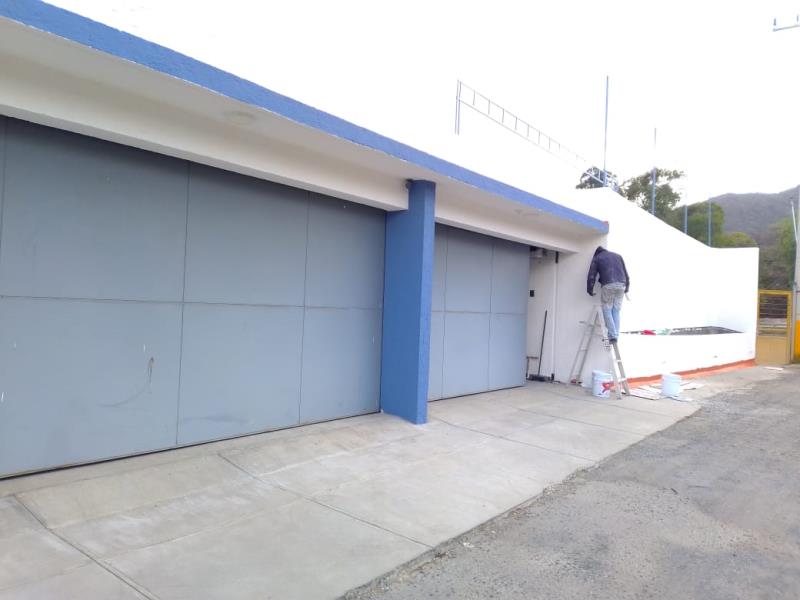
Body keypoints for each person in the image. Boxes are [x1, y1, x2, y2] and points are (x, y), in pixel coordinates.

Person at [587, 246, 630, 343]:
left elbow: (591, 275)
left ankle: (612, 335)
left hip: (608, 285)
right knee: (616, 310)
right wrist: (627, 288)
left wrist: (590, 289)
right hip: (621, 285)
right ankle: (615, 335)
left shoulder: (597, 258)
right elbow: (626, 273)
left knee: (607, 309)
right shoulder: (618, 256)